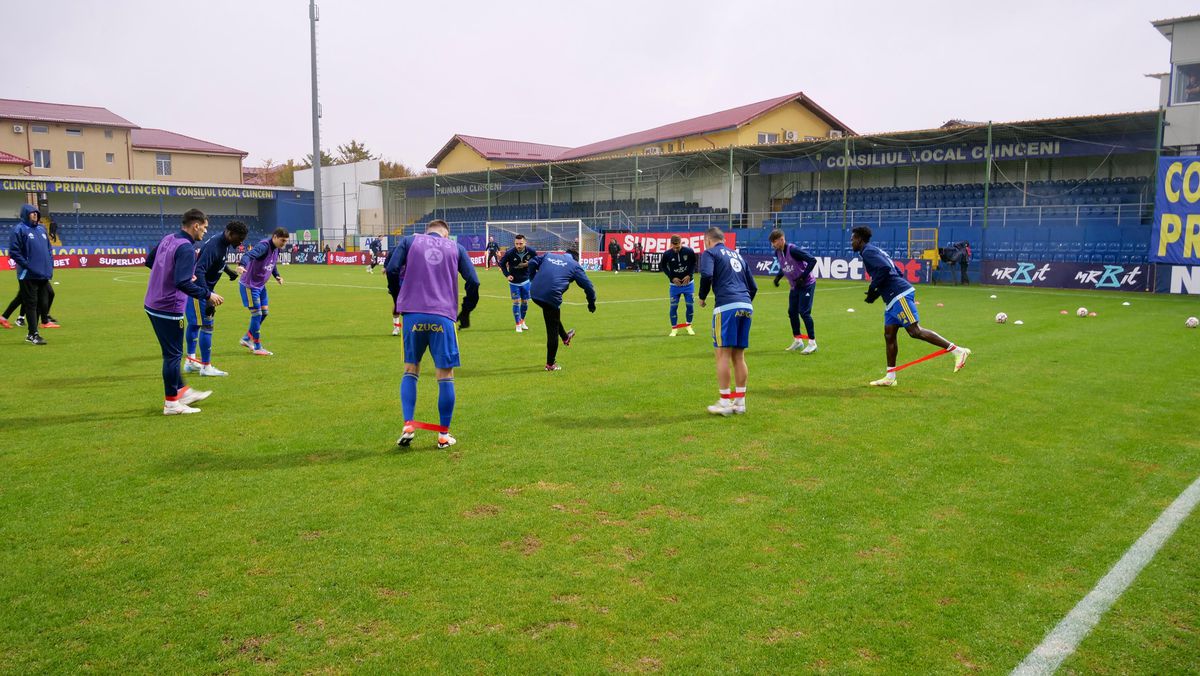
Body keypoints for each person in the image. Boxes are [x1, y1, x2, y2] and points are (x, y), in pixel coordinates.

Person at [386, 219, 480, 449]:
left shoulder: (410, 241)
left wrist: (398, 297)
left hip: (413, 316)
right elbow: (474, 281)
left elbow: (391, 269)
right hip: (443, 316)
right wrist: (466, 311)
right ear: (446, 234)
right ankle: (443, 435)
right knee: (445, 375)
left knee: (410, 369)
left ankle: (408, 424)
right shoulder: (456, 248)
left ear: (428, 231)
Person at [851, 226, 971, 387]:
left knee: (915, 331)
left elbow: (886, 269)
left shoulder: (867, 252)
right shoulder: (875, 250)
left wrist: (874, 289)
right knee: (889, 335)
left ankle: (957, 350)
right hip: (892, 298)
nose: (851, 242)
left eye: (853, 239)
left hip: (898, 295)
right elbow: (897, 270)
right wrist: (881, 290)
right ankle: (890, 376)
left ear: (859, 239)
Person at [143, 209, 225, 414]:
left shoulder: (169, 238)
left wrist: (170, 274)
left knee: (171, 353)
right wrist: (208, 295)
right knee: (173, 356)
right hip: (168, 307)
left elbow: (150, 261)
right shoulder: (187, 248)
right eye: (204, 227)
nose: (205, 232)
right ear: (196, 225)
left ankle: (183, 391)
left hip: (153, 302)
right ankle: (171, 403)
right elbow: (181, 283)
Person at [699, 227, 755, 415]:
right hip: (746, 305)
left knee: (722, 354)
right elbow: (752, 286)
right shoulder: (737, 256)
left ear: (707, 240)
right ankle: (740, 403)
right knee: (739, 356)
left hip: (726, 306)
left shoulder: (709, 253)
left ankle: (724, 403)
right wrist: (743, 301)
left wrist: (702, 296)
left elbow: (706, 275)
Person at [183, 220, 248, 376]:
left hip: (200, 290)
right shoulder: (215, 245)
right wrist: (207, 297)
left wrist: (228, 271)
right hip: (200, 290)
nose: (240, 242)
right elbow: (199, 270)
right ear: (230, 233)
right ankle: (206, 367)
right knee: (207, 325)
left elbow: (217, 260)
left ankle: (190, 361)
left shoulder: (222, 242)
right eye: (239, 238)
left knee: (195, 324)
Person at [527, 250, 596, 371]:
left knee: (551, 315)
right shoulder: (574, 265)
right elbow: (588, 286)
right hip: (551, 296)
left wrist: (532, 278)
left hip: (534, 292)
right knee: (552, 330)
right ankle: (550, 364)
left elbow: (532, 262)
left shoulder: (549, 255)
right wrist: (591, 303)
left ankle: (565, 337)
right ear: (576, 259)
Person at [7, 204, 54, 345]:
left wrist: (50, 265)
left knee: (43, 302)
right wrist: (28, 265)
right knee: (31, 304)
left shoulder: (41, 229)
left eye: (36, 213)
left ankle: (35, 330)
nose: (35, 215)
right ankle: (32, 334)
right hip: (28, 274)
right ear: (26, 214)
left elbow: (49, 249)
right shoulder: (19, 230)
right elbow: (14, 252)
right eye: (32, 213)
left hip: (43, 274)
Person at [238, 227, 289, 356]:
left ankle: (246, 338)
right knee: (257, 314)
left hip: (260, 286)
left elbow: (272, 264)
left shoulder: (276, 249)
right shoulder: (263, 246)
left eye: (286, 241)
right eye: (282, 240)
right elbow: (248, 255)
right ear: (275, 237)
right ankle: (257, 346)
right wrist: (242, 265)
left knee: (264, 313)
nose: (284, 243)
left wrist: (277, 275)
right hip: (250, 285)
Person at [769, 229, 819, 354]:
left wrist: (803, 277)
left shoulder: (793, 250)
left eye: (774, 242)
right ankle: (798, 340)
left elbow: (812, 260)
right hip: (795, 287)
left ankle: (812, 343)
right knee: (792, 312)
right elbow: (784, 265)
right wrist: (778, 277)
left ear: (781, 239)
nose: (773, 245)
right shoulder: (778, 252)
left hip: (807, 284)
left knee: (804, 312)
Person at [498, 234, 537, 333]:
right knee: (516, 302)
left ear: (525, 243)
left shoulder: (531, 252)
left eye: (520, 243)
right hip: (514, 283)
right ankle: (517, 324)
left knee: (525, 302)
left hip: (526, 281)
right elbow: (502, 264)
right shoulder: (510, 253)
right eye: (516, 244)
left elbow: (538, 262)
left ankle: (522, 321)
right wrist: (507, 275)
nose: (518, 246)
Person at [660, 235, 697, 336]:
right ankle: (674, 329)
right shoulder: (667, 254)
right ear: (671, 244)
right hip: (674, 286)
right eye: (674, 247)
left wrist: (690, 275)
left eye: (678, 247)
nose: (676, 249)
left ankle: (688, 326)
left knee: (690, 306)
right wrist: (672, 278)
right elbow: (663, 266)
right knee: (673, 307)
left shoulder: (689, 251)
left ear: (681, 243)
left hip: (688, 285)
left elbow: (694, 263)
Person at [383, 243, 406, 336]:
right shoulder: (396, 250)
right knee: (397, 304)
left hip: (411, 282)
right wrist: (385, 266)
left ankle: (411, 328)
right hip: (397, 281)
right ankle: (396, 327)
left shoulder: (418, 250)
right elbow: (389, 260)